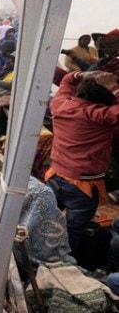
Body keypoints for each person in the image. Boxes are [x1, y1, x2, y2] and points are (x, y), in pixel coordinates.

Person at [46, 70, 119, 261]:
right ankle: (64, 263)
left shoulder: (59, 104)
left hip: (55, 175)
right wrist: (114, 87)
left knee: (47, 219)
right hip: (83, 186)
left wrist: (84, 74)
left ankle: (40, 252)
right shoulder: (100, 116)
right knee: (73, 229)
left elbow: (67, 80)